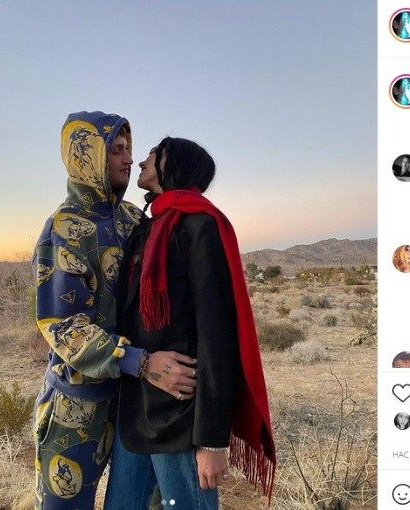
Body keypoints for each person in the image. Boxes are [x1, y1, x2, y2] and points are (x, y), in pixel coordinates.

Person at [32, 112, 197, 510]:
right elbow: (65, 328)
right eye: (117, 150)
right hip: (77, 405)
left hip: (137, 403)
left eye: (129, 149)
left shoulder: (133, 219)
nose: (129, 159)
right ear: (87, 157)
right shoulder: (63, 229)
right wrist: (141, 362)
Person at [104, 137, 276, 508]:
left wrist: (211, 441)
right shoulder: (146, 229)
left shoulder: (200, 226)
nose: (142, 160)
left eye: (154, 154)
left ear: (175, 165)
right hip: (136, 408)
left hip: (181, 416)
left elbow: (217, 335)